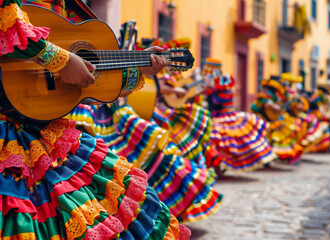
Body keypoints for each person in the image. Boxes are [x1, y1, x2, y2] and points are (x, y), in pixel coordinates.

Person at [0, 1, 190, 239]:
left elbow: (93, 75)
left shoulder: (71, 7)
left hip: (46, 132)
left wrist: (140, 67)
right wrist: (61, 60)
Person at [68, 38, 222, 223]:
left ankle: (157, 209)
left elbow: (115, 89)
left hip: (103, 107)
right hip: (81, 116)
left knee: (149, 160)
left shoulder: (101, 44)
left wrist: (139, 68)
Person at [200, 58, 276, 172]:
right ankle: (215, 165)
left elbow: (220, 100)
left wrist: (210, 88)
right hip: (214, 116)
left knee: (226, 143)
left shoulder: (223, 82)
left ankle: (219, 166)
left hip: (224, 116)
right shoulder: (208, 82)